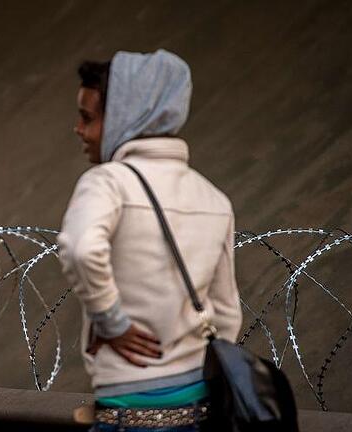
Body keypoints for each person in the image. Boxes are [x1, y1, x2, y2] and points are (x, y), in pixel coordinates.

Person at [58, 50, 242, 431]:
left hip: (129, 409)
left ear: (126, 116)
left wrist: (113, 323)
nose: (78, 128)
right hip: (201, 407)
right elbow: (226, 314)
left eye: (88, 117)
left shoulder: (108, 182)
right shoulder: (214, 198)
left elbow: (79, 247)